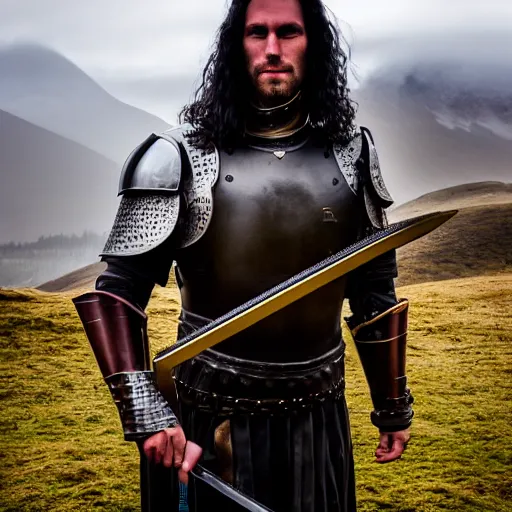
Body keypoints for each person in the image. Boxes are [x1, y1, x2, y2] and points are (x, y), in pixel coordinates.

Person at [73, 0, 414, 510]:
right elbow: (117, 295)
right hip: (209, 422)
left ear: (312, 43)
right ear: (236, 45)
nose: (272, 49)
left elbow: (373, 288)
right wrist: (147, 414)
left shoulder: (353, 153)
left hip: (319, 419)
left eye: (288, 32)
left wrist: (391, 407)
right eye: (257, 33)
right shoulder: (178, 158)